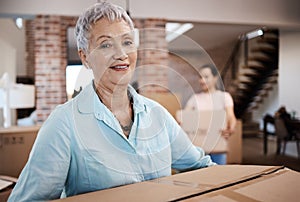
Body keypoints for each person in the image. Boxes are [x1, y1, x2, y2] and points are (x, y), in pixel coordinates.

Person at [8, 2, 215, 201]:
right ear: (85, 58)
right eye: (106, 44)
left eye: (127, 42)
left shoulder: (158, 115)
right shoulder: (64, 124)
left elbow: (201, 167)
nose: (121, 54)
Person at [185, 64, 237, 165]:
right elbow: (184, 117)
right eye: (200, 77)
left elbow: (231, 117)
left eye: (206, 77)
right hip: (198, 149)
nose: (202, 80)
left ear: (215, 78)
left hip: (218, 146)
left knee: (219, 176)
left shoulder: (224, 97)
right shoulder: (194, 98)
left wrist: (231, 128)